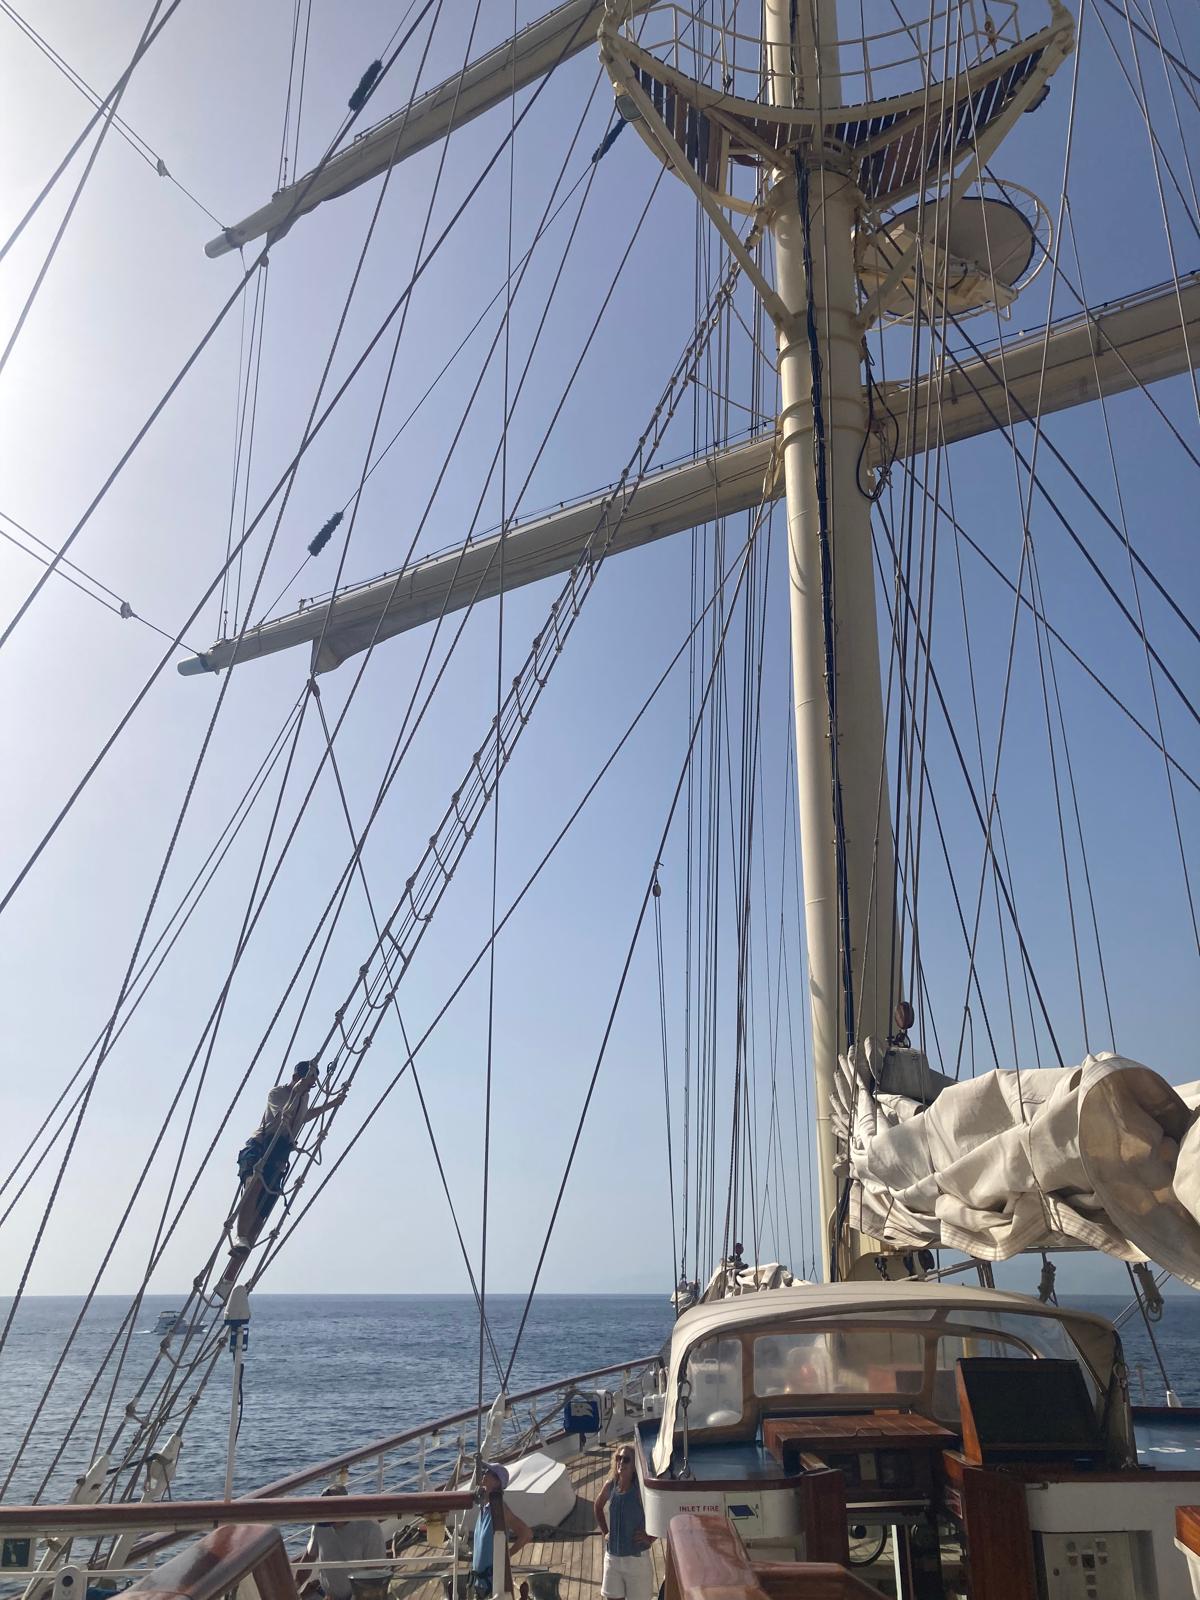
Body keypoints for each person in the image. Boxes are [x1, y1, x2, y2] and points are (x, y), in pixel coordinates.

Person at [232, 1061, 346, 1249]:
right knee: (254, 1182)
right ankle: (240, 1237)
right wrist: (296, 1093)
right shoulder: (277, 1093)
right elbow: (284, 1116)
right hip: (260, 1146)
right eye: (308, 1083)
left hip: (279, 1153)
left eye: (312, 1085)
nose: (310, 1088)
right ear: (295, 1078)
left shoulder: (305, 1097)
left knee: (266, 1206)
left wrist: (331, 1104)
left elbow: (303, 1117)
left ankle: (235, 1265)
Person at [295, 1484, 387, 1600]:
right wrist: (294, 1586)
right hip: (326, 1594)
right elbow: (309, 1558)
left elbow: (375, 1573)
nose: (327, 1520)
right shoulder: (321, 1526)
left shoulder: (369, 1527)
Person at [594, 1445, 654, 1600]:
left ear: (635, 1466)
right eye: (618, 1458)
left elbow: (660, 1512)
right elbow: (598, 1506)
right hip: (612, 1558)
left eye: (626, 1459)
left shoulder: (640, 1489)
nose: (621, 1462)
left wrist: (650, 1538)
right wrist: (605, 1532)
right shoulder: (611, 1485)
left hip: (636, 1560)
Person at [470, 1463, 532, 1597]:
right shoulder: (484, 1508)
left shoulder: (500, 1509)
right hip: (479, 1582)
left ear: (497, 1482)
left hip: (492, 1584)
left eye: (488, 1472)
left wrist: (506, 1556)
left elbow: (526, 1534)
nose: (484, 1474)